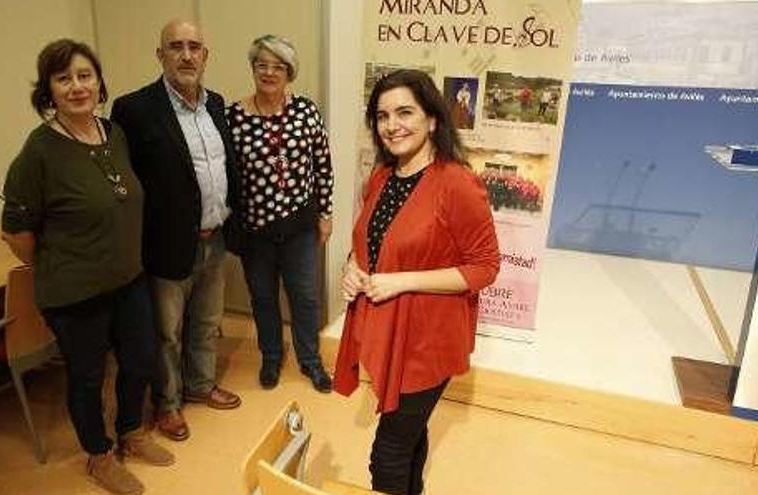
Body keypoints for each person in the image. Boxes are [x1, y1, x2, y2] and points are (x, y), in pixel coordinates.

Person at [2, 39, 173, 495]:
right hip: (75, 292)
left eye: (84, 75)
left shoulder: (111, 133)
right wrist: (62, 264)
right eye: (64, 78)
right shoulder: (38, 152)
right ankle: (99, 456)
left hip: (128, 279)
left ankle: (132, 431)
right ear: (48, 91)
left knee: (140, 360)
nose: (77, 86)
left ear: (98, 82)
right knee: (87, 376)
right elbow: (17, 232)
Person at [334, 69, 500, 495]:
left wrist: (401, 281)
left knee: (386, 455)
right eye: (383, 115)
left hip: (428, 342)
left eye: (405, 112)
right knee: (410, 436)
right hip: (391, 333)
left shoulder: (457, 183)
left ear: (431, 120)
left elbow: (485, 267)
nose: (393, 125)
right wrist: (352, 267)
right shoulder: (382, 178)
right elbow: (368, 243)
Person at [111, 20, 242, 443]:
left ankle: (200, 385)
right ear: (160, 55)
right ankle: (167, 404)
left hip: (215, 237)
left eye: (194, 47)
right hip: (166, 245)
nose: (186, 55)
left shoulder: (217, 104)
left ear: (206, 56)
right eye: (176, 47)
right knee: (167, 333)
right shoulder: (134, 109)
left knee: (206, 321)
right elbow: (126, 183)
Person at [225, 35, 334, 392]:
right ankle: (271, 357)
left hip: (300, 227)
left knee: (304, 296)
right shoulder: (234, 116)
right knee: (263, 298)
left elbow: (323, 164)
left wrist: (325, 213)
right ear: (253, 69)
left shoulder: (305, 110)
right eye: (262, 65)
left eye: (278, 67)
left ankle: (310, 360)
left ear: (289, 73)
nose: (269, 72)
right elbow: (227, 172)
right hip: (256, 231)